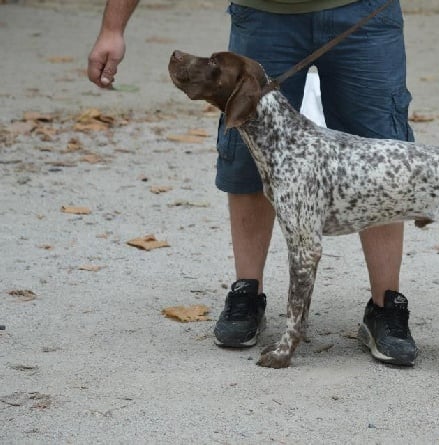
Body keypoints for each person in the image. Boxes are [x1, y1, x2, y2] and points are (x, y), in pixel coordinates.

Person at [88, 0, 418, 366]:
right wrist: (113, 28)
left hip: (366, 8)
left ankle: (386, 305)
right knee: (246, 151)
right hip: (264, 12)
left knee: (384, 156)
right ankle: (246, 294)